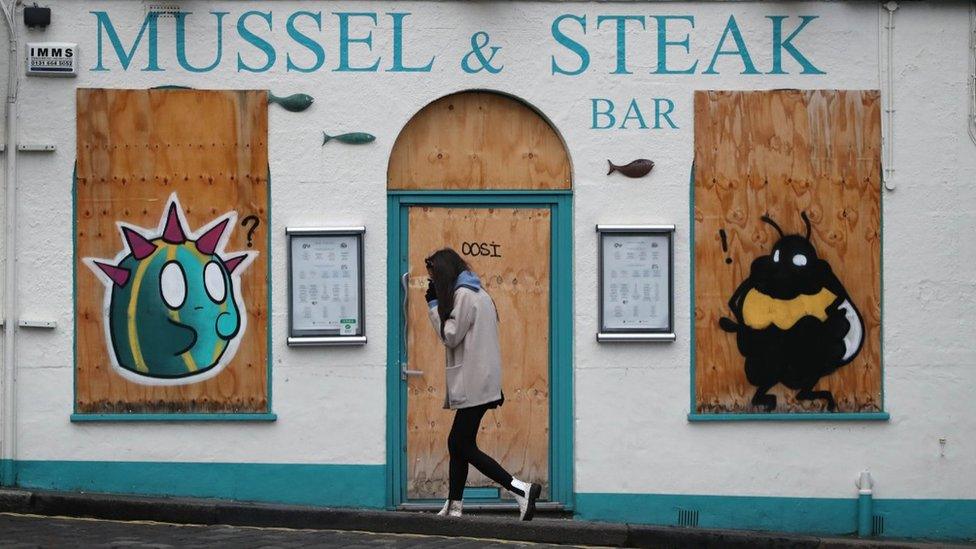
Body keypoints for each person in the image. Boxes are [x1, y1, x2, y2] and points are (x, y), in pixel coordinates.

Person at [424, 248, 542, 521]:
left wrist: (433, 307)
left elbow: (451, 336)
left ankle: (520, 489)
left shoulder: (464, 295)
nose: (433, 283)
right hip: (480, 381)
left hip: (475, 383)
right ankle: (454, 506)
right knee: (458, 443)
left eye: (434, 277)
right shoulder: (476, 292)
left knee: (460, 444)